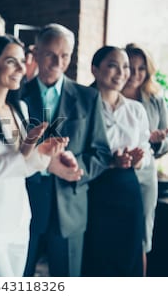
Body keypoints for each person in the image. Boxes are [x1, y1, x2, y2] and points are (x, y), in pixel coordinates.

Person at [0, 35, 70, 276]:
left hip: (19, 220)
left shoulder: (21, 109)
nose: (21, 68)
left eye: (22, 61)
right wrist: (25, 154)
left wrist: (43, 155)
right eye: (11, 61)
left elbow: (24, 167)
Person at [19, 23, 111, 277]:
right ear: (35, 53)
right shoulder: (15, 95)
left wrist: (75, 167)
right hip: (23, 204)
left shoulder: (88, 97)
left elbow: (102, 153)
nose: (58, 61)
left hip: (70, 208)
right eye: (50, 54)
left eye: (65, 55)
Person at [83, 46, 149, 276]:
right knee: (97, 256)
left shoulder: (136, 110)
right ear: (95, 70)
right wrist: (111, 162)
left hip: (128, 188)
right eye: (113, 65)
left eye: (125, 67)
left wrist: (138, 160)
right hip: (96, 187)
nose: (122, 73)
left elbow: (146, 150)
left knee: (129, 252)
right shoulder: (82, 104)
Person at [122, 43, 166, 274]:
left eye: (142, 69)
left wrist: (157, 141)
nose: (135, 74)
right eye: (130, 67)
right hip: (114, 172)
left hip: (146, 176)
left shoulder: (154, 98)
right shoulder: (104, 91)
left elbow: (165, 140)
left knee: (142, 237)